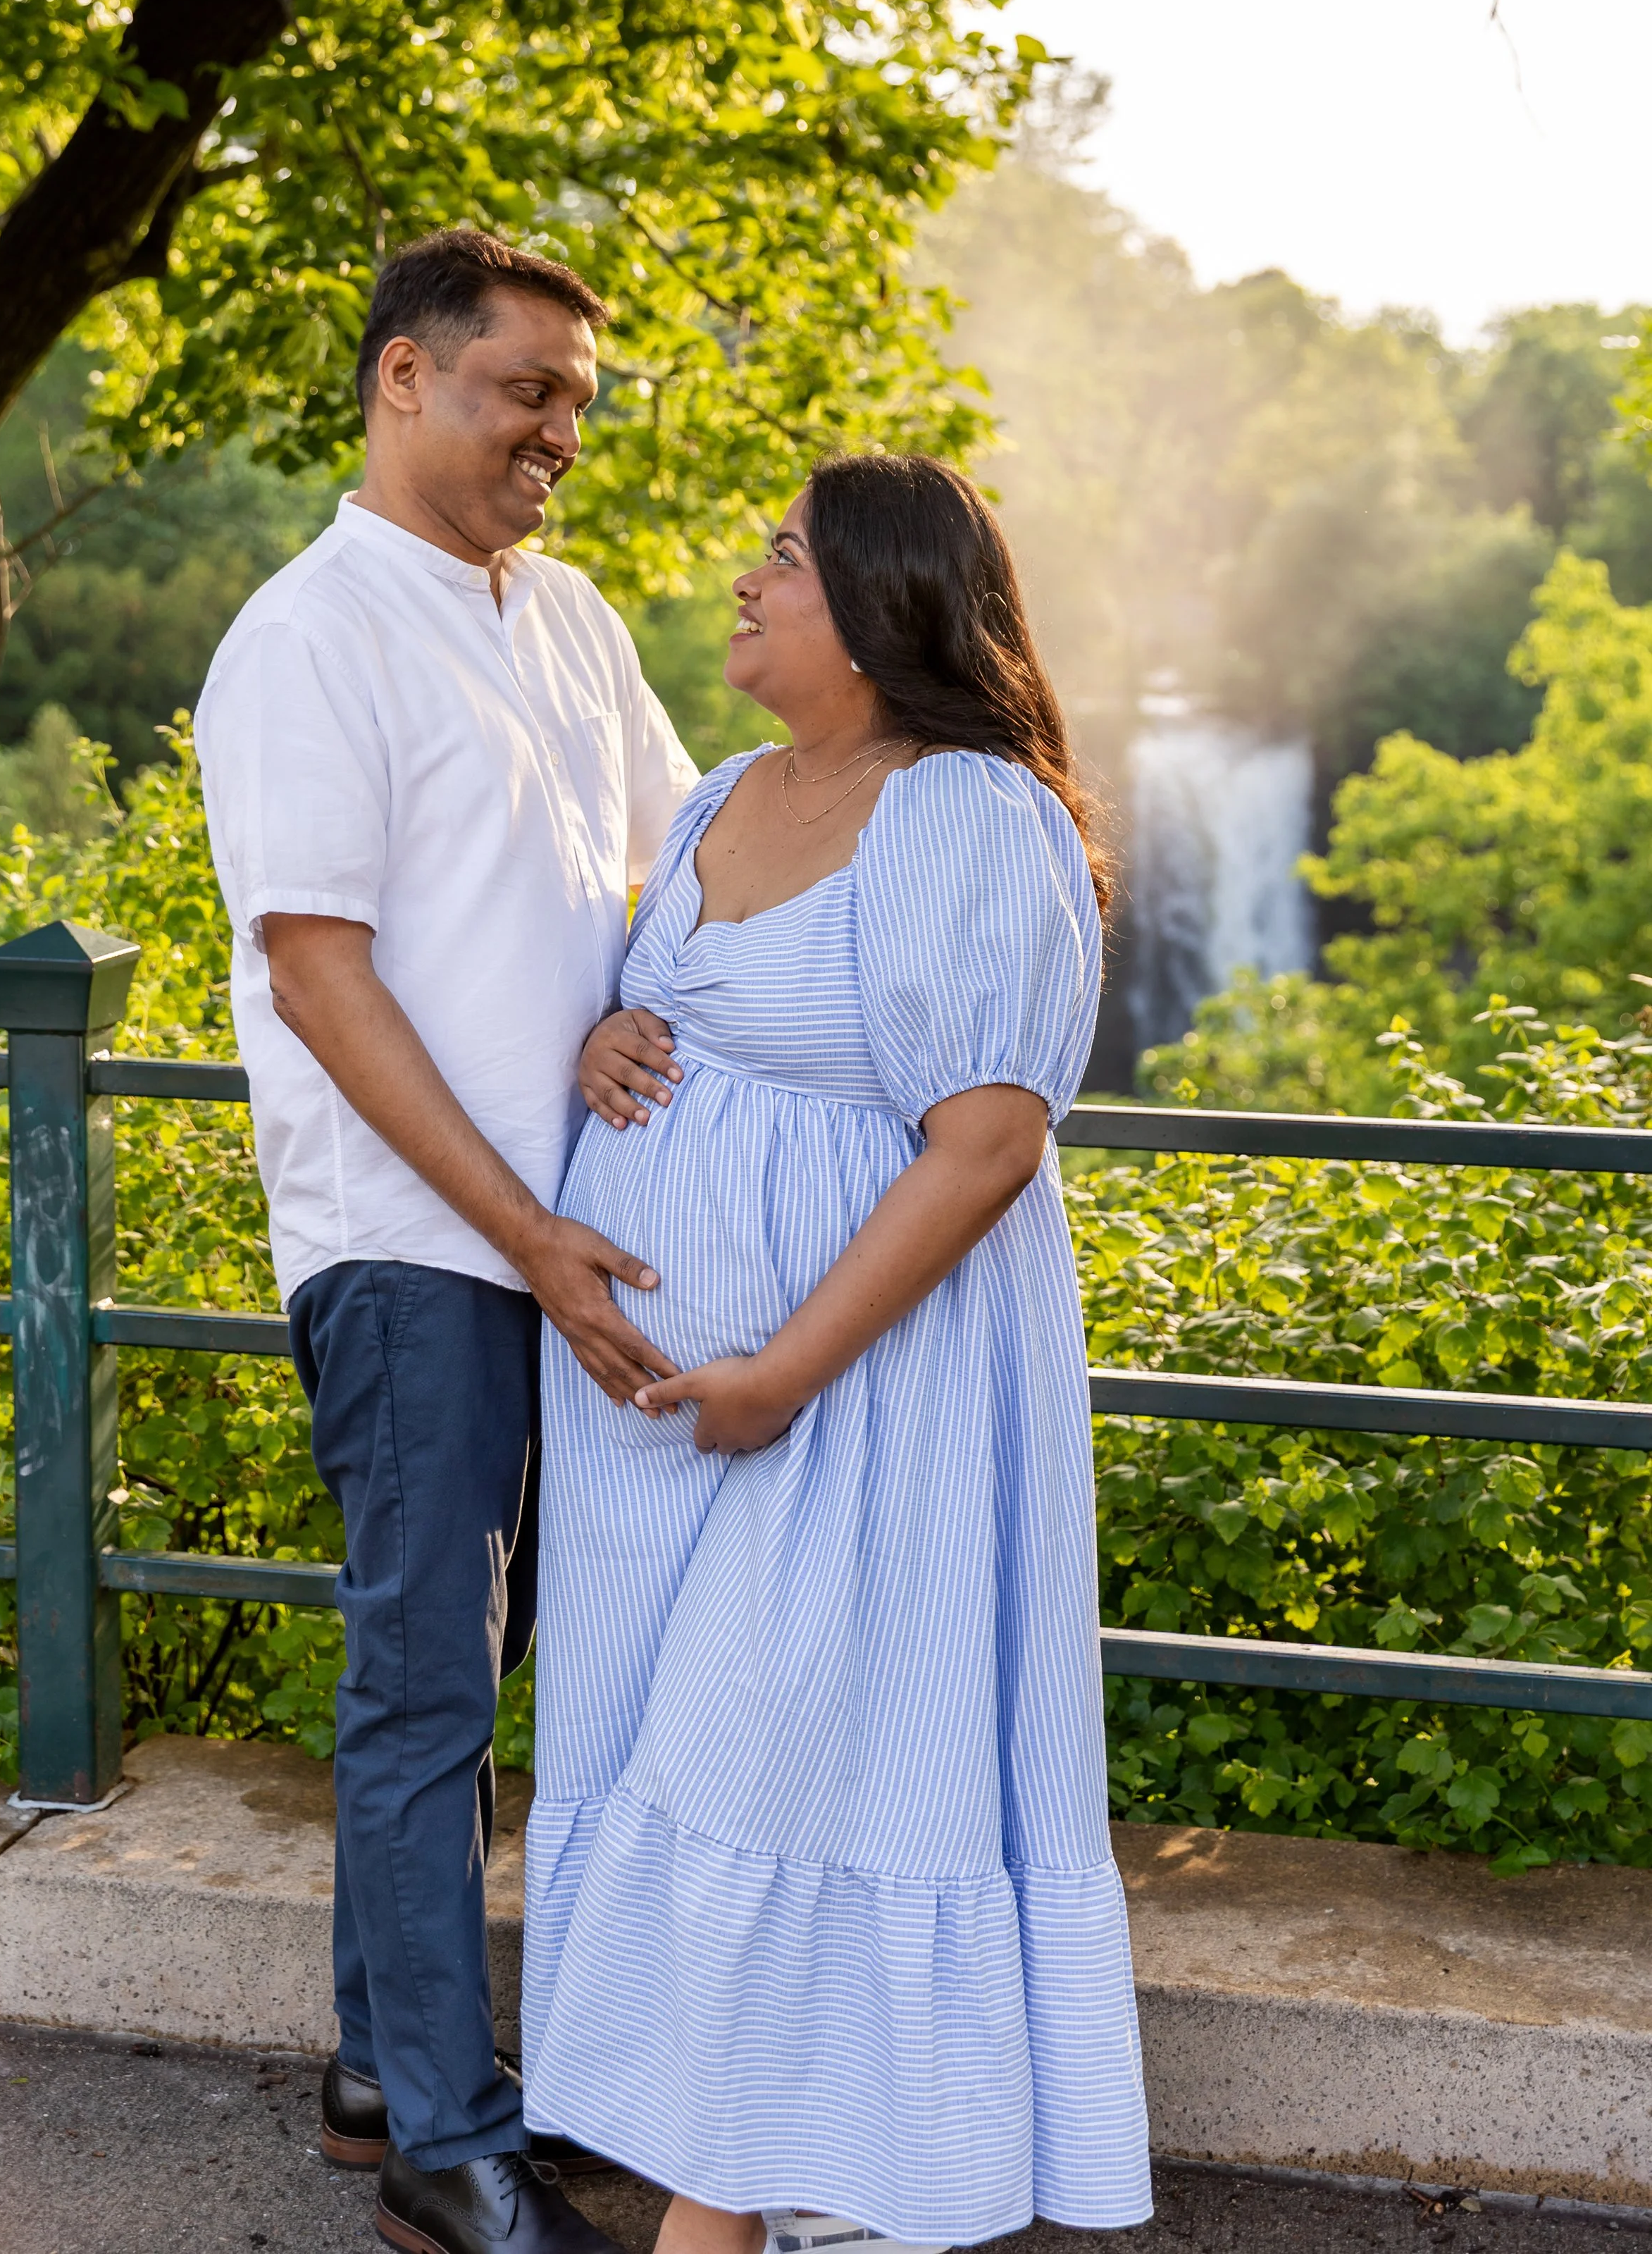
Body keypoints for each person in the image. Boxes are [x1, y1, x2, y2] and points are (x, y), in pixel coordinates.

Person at [521, 453, 1153, 2253]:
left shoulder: (962, 811)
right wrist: (607, 1053)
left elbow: (983, 1144)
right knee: (679, 1778)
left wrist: (782, 1373)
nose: (746, 576)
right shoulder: (726, 787)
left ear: (878, 613)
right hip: (656, 1440)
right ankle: (780, 2185)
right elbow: (687, 1022)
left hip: (855, 1410)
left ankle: (731, 2214)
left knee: (766, 1779)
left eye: (783, 557)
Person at [196, 228, 696, 2254]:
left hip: (565, 1232)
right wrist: (523, 1226)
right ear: (405, 378)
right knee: (428, 1688)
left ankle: (373, 2059)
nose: (558, 431)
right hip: (416, 1243)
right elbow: (322, 977)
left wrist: (619, 1000)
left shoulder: (567, 617)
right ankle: (445, 2145)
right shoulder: (303, 637)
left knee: (482, 1663)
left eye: (578, 399)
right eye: (525, 391)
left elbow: (663, 864)